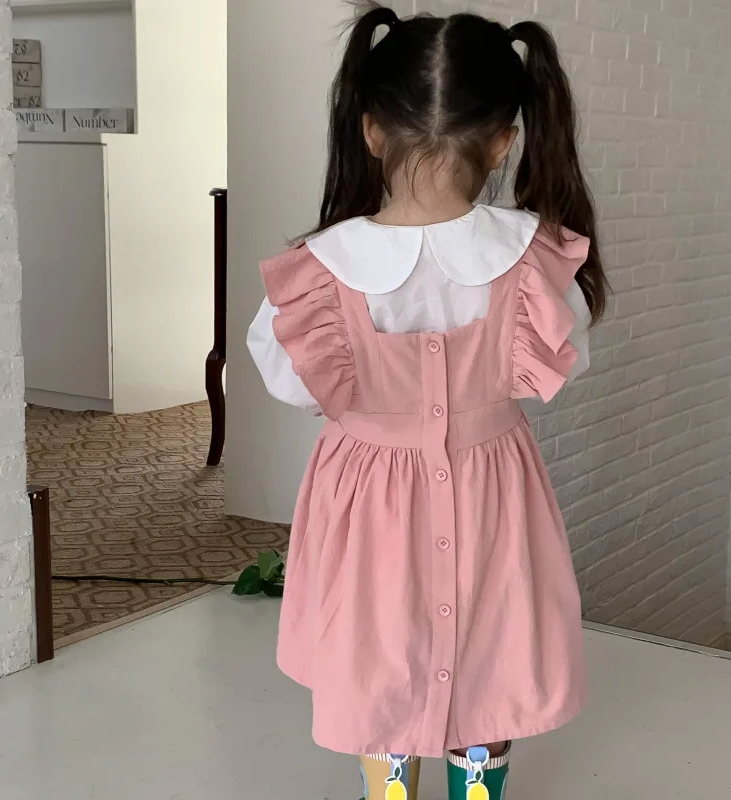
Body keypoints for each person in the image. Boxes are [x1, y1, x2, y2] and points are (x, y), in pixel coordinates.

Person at [247, 6, 609, 800]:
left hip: (365, 502)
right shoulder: (534, 261)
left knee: (378, 660)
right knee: (490, 652)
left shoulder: (317, 271)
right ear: (503, 140)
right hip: (493, 491)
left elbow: (287, 382)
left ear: (372, 130)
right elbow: (566, 361)